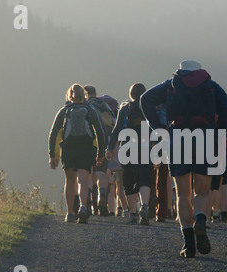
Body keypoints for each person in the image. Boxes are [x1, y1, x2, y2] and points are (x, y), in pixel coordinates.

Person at [140, 60, 227, 258]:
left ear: (181, 70)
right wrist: (218, 133)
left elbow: (145, 99)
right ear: (199, 70)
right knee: (202, 191)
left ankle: (188, 244)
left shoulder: (171, 84)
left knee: (183, 194)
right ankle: (200, 220)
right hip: (205, 137)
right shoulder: (211, 85)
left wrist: (157, 126)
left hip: (178, 136)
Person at [49, 83, 106, 224]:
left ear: (69, 96)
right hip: (86, 147)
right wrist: (100, 154)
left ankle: (69, 213)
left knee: (70, 180)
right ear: (84, 96)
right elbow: (100, 132)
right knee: (83, 179)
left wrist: (53, 155)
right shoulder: (90, 110)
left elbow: (54, 133)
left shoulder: (64, 111)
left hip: (69, 148)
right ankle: (83, 207)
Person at [106, 83, 153, 225]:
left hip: (127, 149)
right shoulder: (149, 108)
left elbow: (117, 130)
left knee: (129, 181)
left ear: (131, 95)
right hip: (145, 147)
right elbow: (155, 129)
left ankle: (133, 213)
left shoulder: (125, 108)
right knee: (144, 179)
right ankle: (144, 206)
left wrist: (110, 149)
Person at [84, 85, 115, 216]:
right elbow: (113, 121)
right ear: (95, 93)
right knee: (102, 173)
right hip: (105, 140)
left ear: (86, 94)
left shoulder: (85, 106)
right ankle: (102, 200)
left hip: (90, 142)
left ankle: (90, 204)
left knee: (91, 173)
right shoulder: (104, 105)